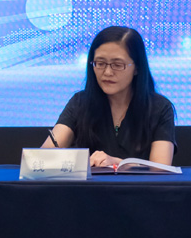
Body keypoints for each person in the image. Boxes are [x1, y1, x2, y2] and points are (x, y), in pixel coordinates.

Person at [42, 26, 176, 167]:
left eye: (117, 65)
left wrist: (118, 163)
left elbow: (161, 168)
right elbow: (44, 157)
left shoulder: (159, 108)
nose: (107, 72)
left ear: (137, 68)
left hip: (139, 183)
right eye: (100, 63)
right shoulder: (80, 103)